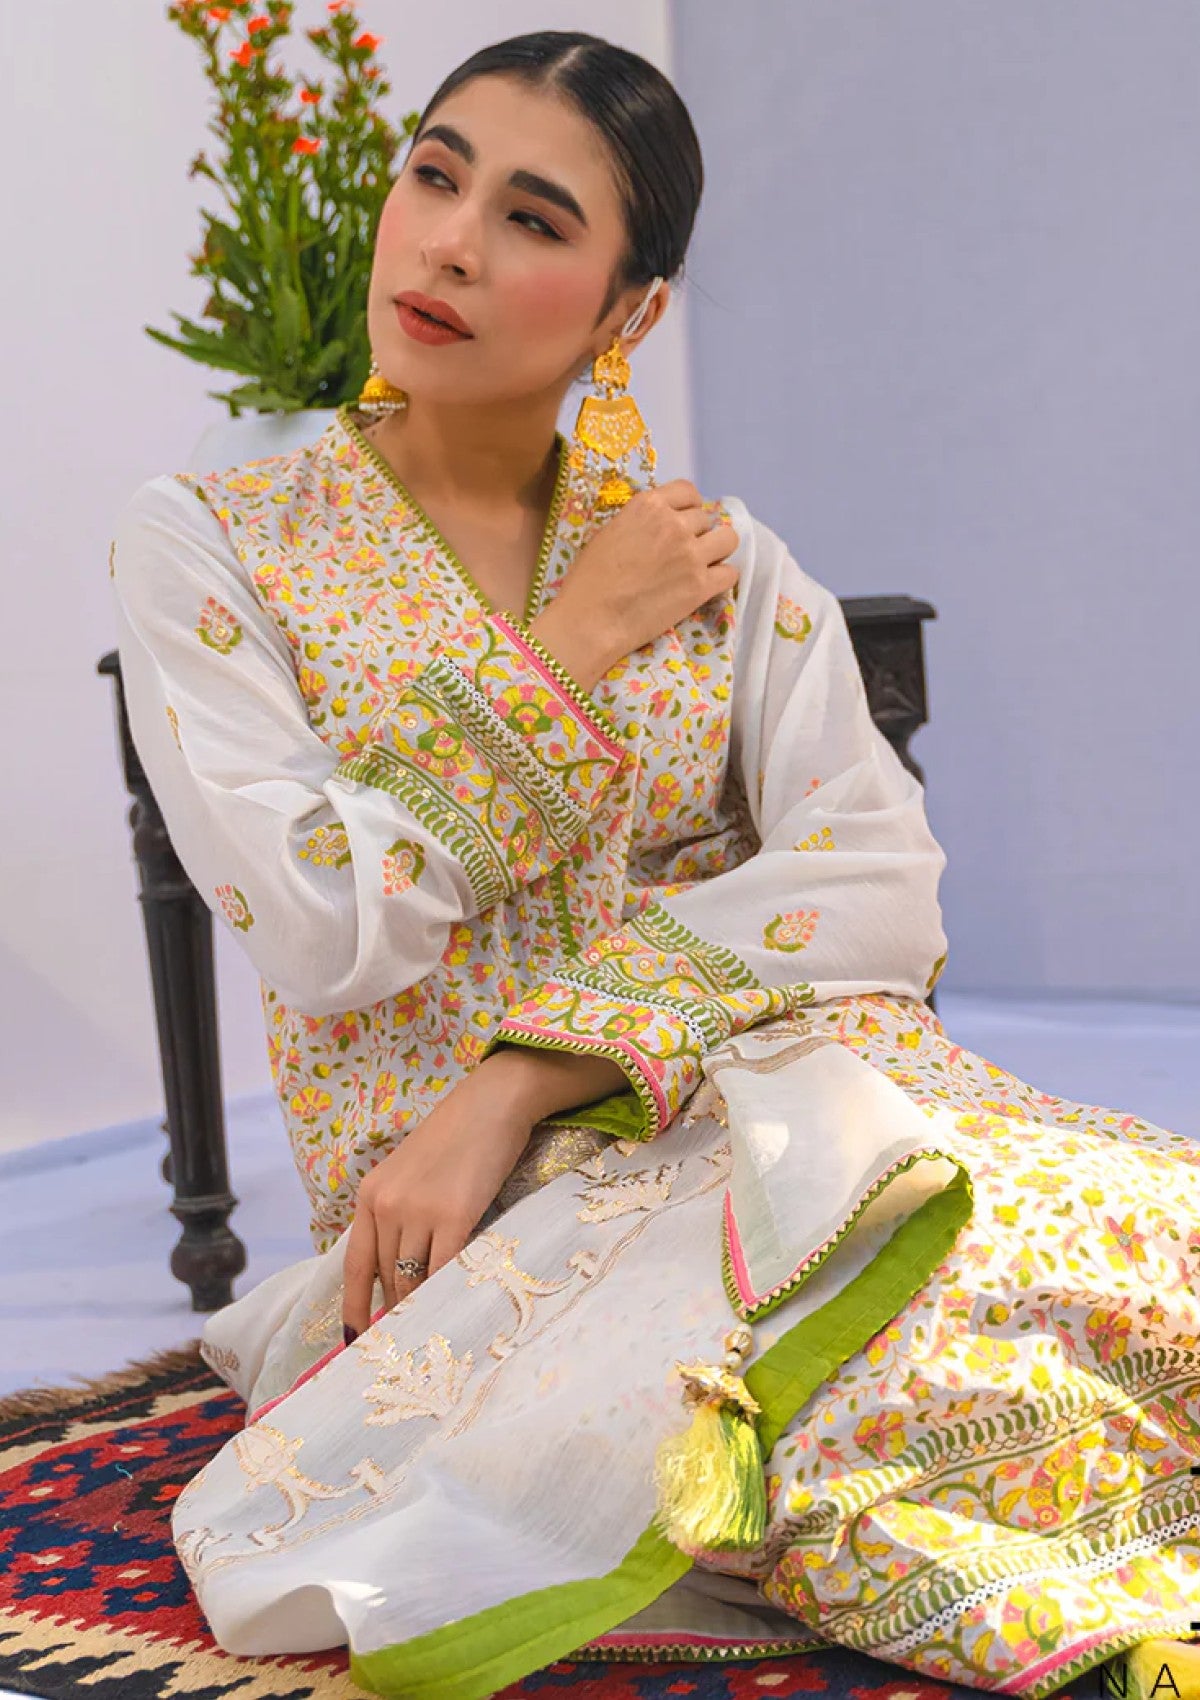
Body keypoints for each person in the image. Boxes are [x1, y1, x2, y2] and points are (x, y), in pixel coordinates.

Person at [108, 30, 1200, 1700]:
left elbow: (875, 870)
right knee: (885, 1371)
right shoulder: (214, 546)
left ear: (630, 313)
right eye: (436, 175)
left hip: (790, 1103)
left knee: (1126, 1228)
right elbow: (326, 924)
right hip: (454, 1216)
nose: (451, 243)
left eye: (533, 219)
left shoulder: (719, 560)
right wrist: (570, 647)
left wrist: (523, 1074)